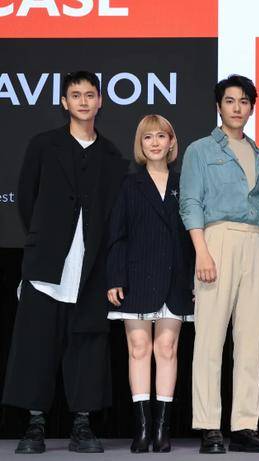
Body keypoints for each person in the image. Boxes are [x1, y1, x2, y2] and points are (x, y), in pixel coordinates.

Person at [2, 71, 128, 454]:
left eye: (90, 95)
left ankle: (82, 427)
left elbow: (114, 216)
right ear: (64, 102)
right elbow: (27, 198)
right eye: (76, 95)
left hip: (91, 271)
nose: (84, 101)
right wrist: (44, 240)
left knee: (87, 349)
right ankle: (35, 426)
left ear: (100, 101)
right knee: (36, 347)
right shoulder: (44, 145)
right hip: (46, 267)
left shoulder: (112, 157)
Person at [179, 74, 259, 454]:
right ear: (218, 106)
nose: (237, 108)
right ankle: (208, 426)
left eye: (244, 101)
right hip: (216, 241)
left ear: (252, 108)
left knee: (251, 341)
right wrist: (202, 251)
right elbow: (190, 202)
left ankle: (244, 425)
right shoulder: (200, 150)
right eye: (230, 100)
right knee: (209, 338)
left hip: (256, 243)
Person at [106, 115, 194, 453]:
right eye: (148, 137)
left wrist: (194, 278)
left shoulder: (185, 183)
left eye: (161, 136)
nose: (155, 142)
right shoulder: (129, 185)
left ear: (171, 142)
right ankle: (142, 429)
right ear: (140, 144)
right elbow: (117, 235)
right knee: (139, 348)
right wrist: (115, 277)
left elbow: (194, 235)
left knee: (167, 348)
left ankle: (162, 430)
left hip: (176, 278)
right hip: (136, 278)